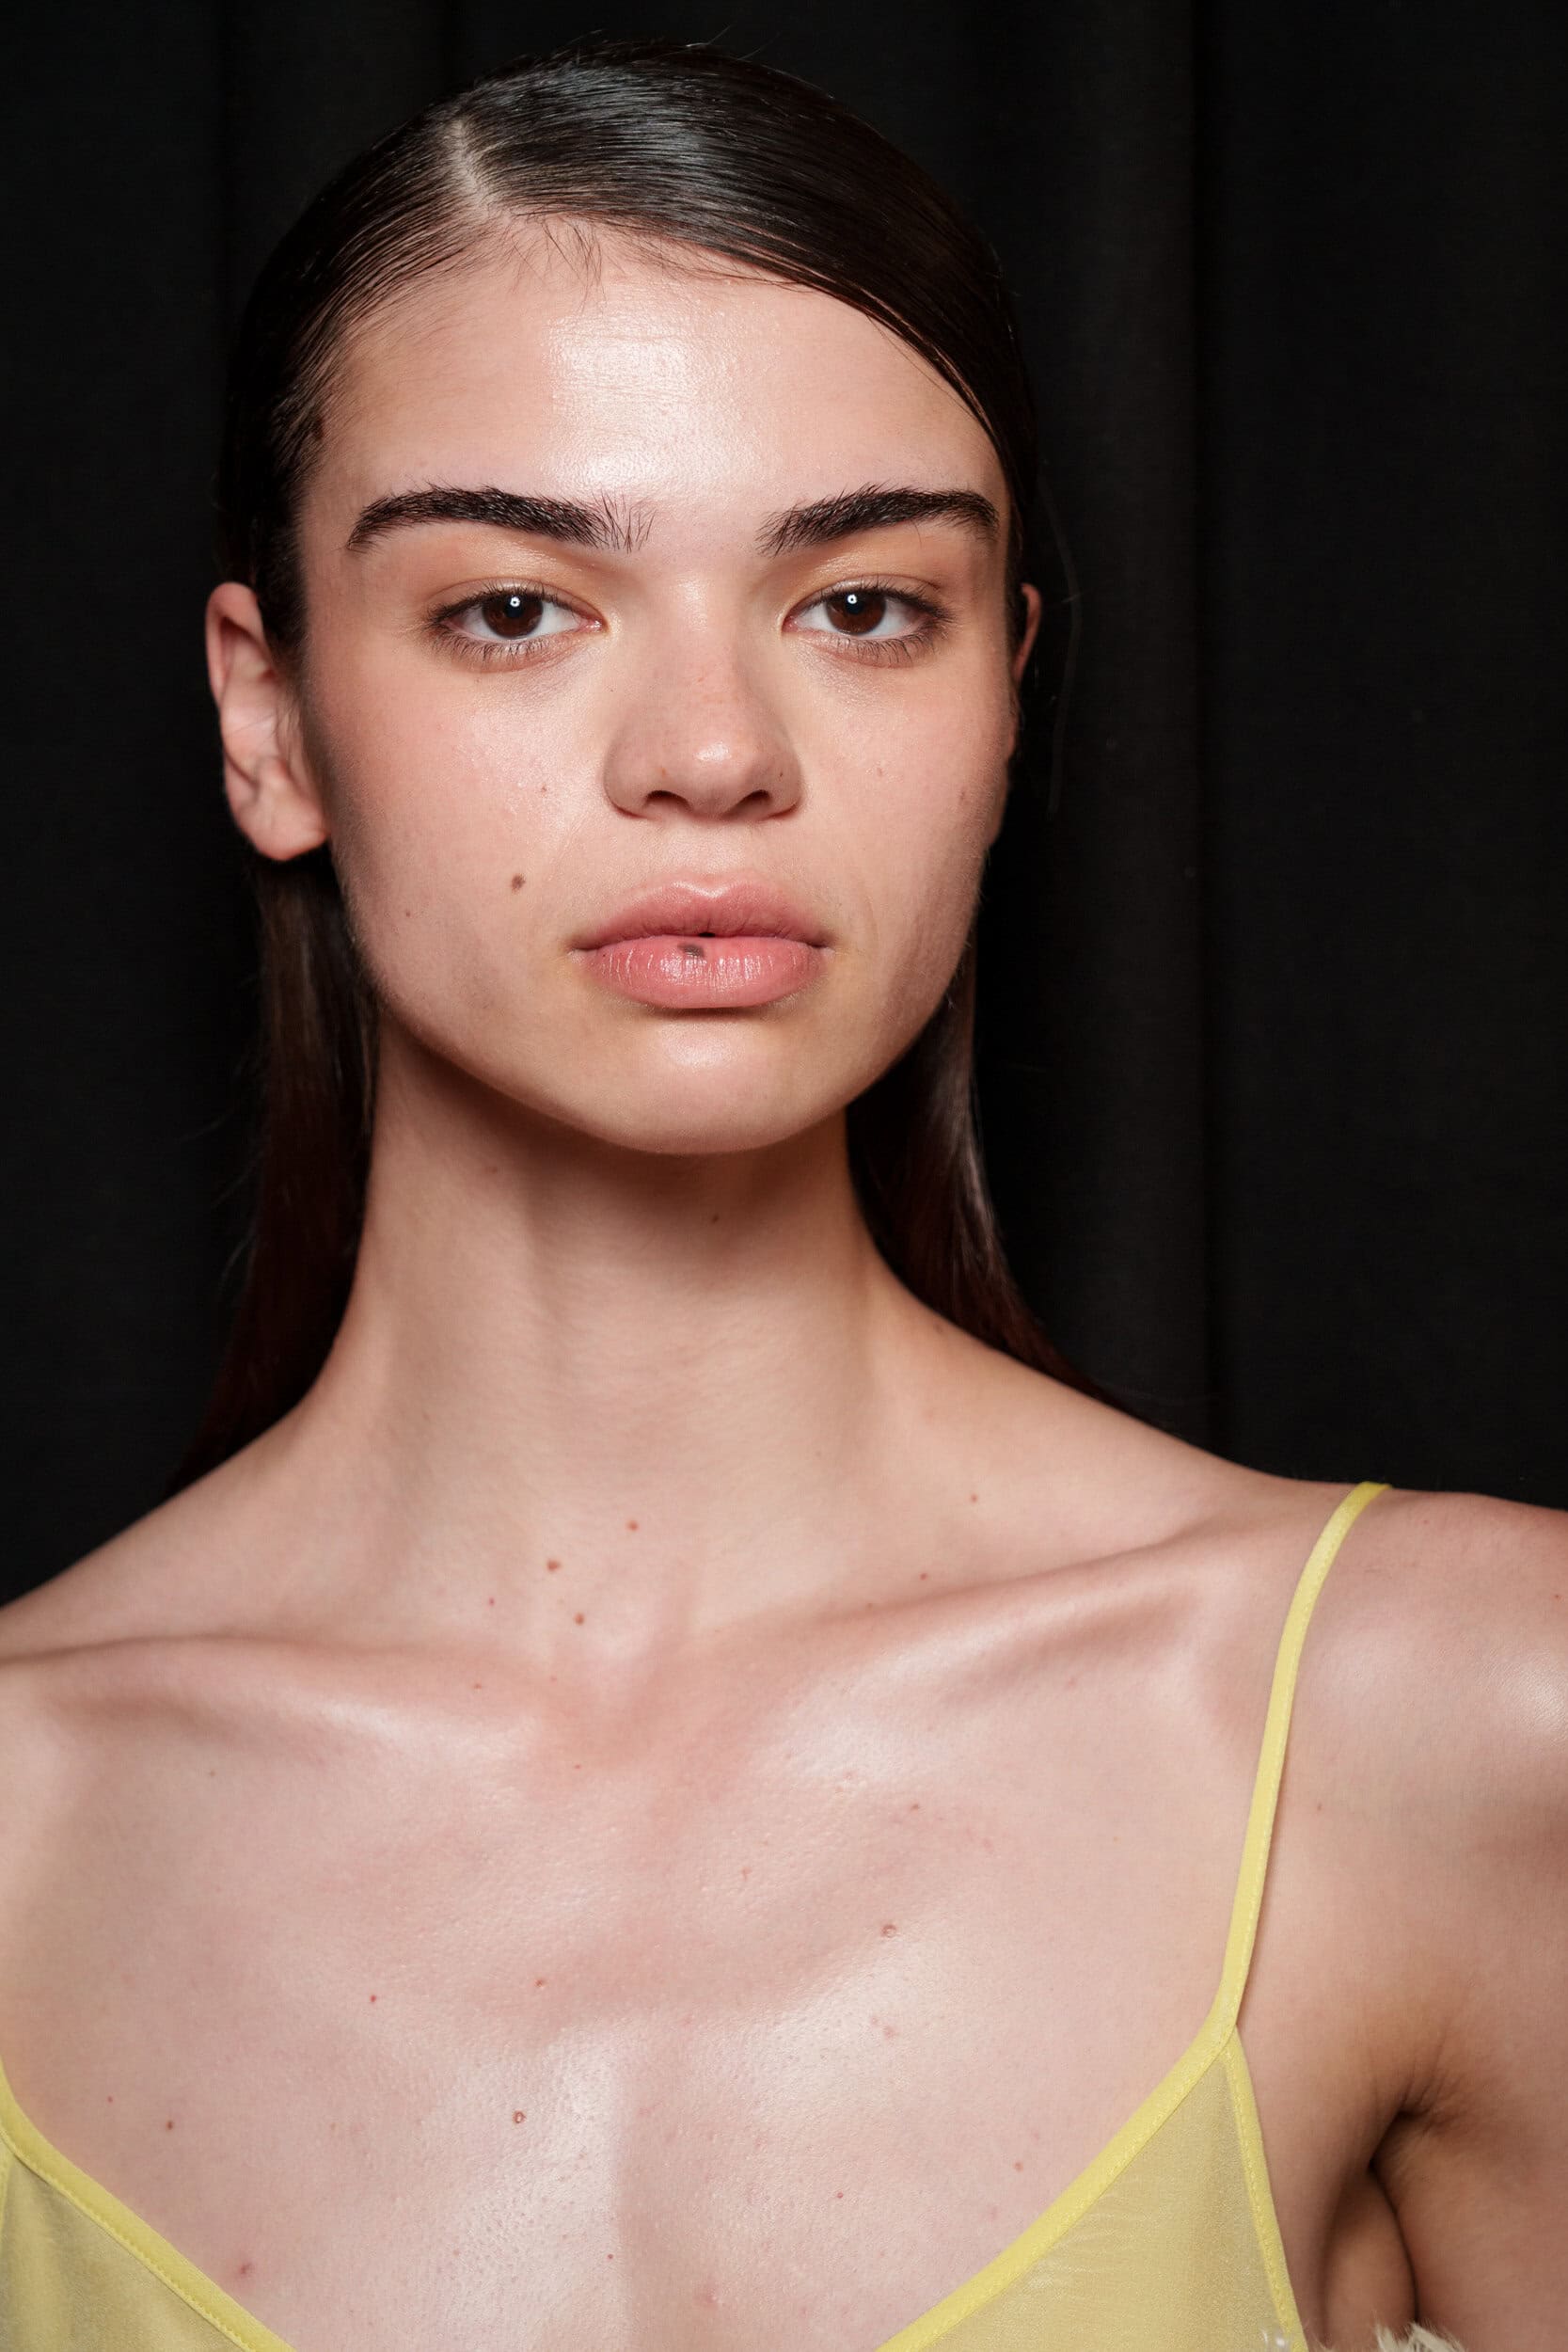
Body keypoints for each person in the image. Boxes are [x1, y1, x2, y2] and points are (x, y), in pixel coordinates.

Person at [0, 35, 1560, 2352]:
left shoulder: (1459, 1723)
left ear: (1007, 696)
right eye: (514, 606)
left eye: (862, 605)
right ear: (270, 713)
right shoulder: (25, 1826)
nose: (714, 754)